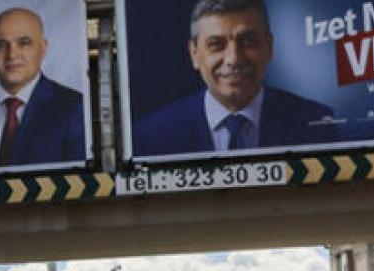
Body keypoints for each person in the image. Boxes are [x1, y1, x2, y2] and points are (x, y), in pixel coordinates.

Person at [132, 0, 339, 157]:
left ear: (269, 47)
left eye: (247, 41)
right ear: (194, 54)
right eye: (217, 45)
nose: (234, 59)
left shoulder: (316, 123)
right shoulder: (152, 136)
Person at [0, 7, 85, 166]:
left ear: (43, 48)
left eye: (23, 43)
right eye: (1, 45)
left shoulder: (74, 107)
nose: (12, 54)